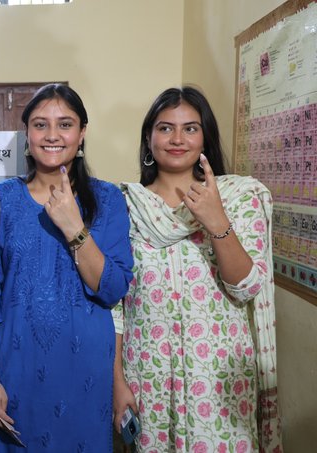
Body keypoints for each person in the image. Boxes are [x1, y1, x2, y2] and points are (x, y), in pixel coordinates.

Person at [112, 86, 282, 453]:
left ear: (205, 135)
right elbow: (115, 308)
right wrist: (117, 383)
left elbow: (247, 287)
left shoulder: (239, 197)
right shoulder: (125, 205)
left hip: (219, 379)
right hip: (148, 374)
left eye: (190, 128)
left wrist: (216, 219)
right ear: (148, 136)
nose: (177, 139)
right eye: (164, 128)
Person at [0, 83, 134, 452]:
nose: (52, 135)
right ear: (26, 133)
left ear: (82, 133)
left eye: (65, 124)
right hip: (15, 370)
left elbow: (112, 289)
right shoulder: (1, 200)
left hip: (85, 376)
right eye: (40, 124)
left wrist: (74, 227)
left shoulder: (108, 199)